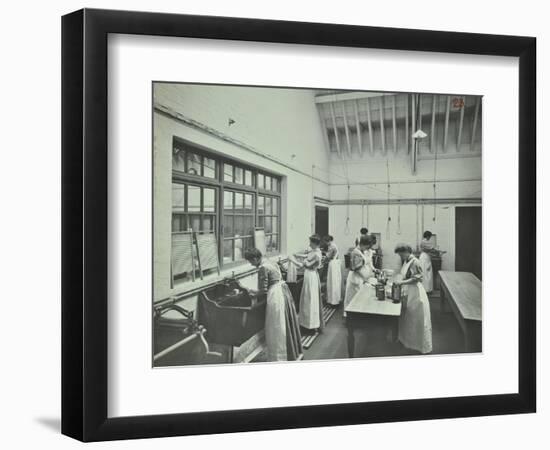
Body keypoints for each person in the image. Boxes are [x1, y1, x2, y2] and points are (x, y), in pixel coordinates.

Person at [244, 248, 303, 362]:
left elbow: (263, 290)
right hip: (283, 290)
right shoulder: (270, 261)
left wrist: (250, 292)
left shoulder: (263, 267)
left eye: (251, 261)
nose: (251, 264)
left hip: (275, 295)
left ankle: (279, 356)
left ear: (256, 258)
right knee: (283, 323)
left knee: (276, 325)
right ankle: (289, 351)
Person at [393, 244, 432, 354]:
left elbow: (418, 278)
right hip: (409, 291)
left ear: (407, 252)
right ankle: (408, 342)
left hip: (416, 293)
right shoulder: (407, 261)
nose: (400, 256)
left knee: (416, 319)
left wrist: (402, 282)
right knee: (408, 318)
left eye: (401, 254)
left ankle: (418, 345)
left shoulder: (415, 261)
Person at [295, 235, 325, 333]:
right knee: (306, 299)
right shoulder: (314, 251)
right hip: (309, 275)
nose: (309, 244)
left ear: (315, 244)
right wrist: (300, 256)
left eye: (311, 243)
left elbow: (308, 265)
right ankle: (305, 323)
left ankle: (311, 326)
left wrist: (303, 261)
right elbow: (307, 257)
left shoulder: (317, 254)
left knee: (310, 299)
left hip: (311, 276)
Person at [344, 234, 377, 317]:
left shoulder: (362, 251)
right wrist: (366, 277)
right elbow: (356, 269)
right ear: (362, 244)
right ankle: (350, 318)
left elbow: (366, 264)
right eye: (367, 247)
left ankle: (357, 316)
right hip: (355, 278)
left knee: (358, 299)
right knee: (352, 299)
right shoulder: (356, 252)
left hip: (360, 278)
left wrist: (369, 274)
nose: (367, 249)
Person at [324, 235, 342, 306]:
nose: (325, 244)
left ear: (328, 241)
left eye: (326, 242)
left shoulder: (332, 246)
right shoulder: (333, 245)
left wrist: (323, 253)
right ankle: (334, 299)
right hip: (336, 265)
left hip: (333, 265)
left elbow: (328, 256)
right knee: (335, 283)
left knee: (332, 282)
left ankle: (333, 301)